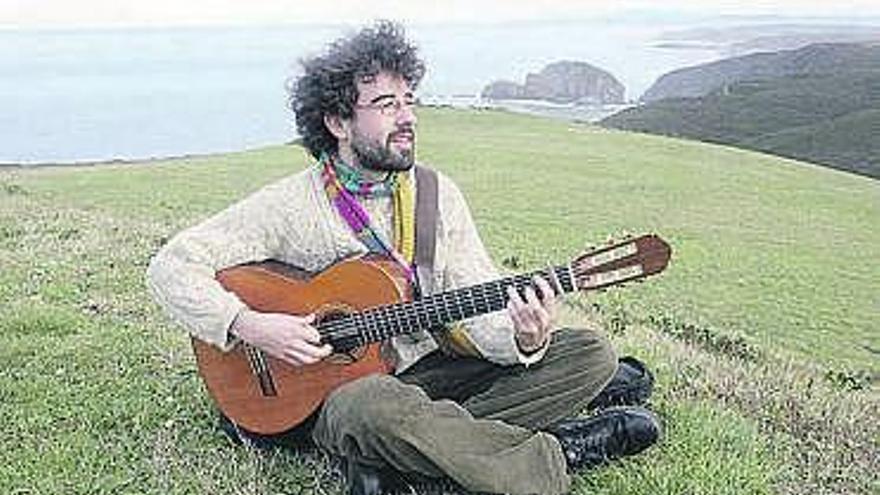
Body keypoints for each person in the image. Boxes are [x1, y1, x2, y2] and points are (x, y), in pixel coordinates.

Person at [147, 20, 660, 495]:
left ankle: (406, 457)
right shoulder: (290, 204)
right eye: (386, 104)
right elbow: (171, 265)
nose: (408, 117)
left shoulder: (437, 196)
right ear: (338, 122)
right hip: (341, 394)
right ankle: (557, 453)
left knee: (590, 355)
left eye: (408, 101)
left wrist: (524, 337)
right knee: (368, 409)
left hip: (430, 372)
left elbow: (475, 304)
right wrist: (250, 325)